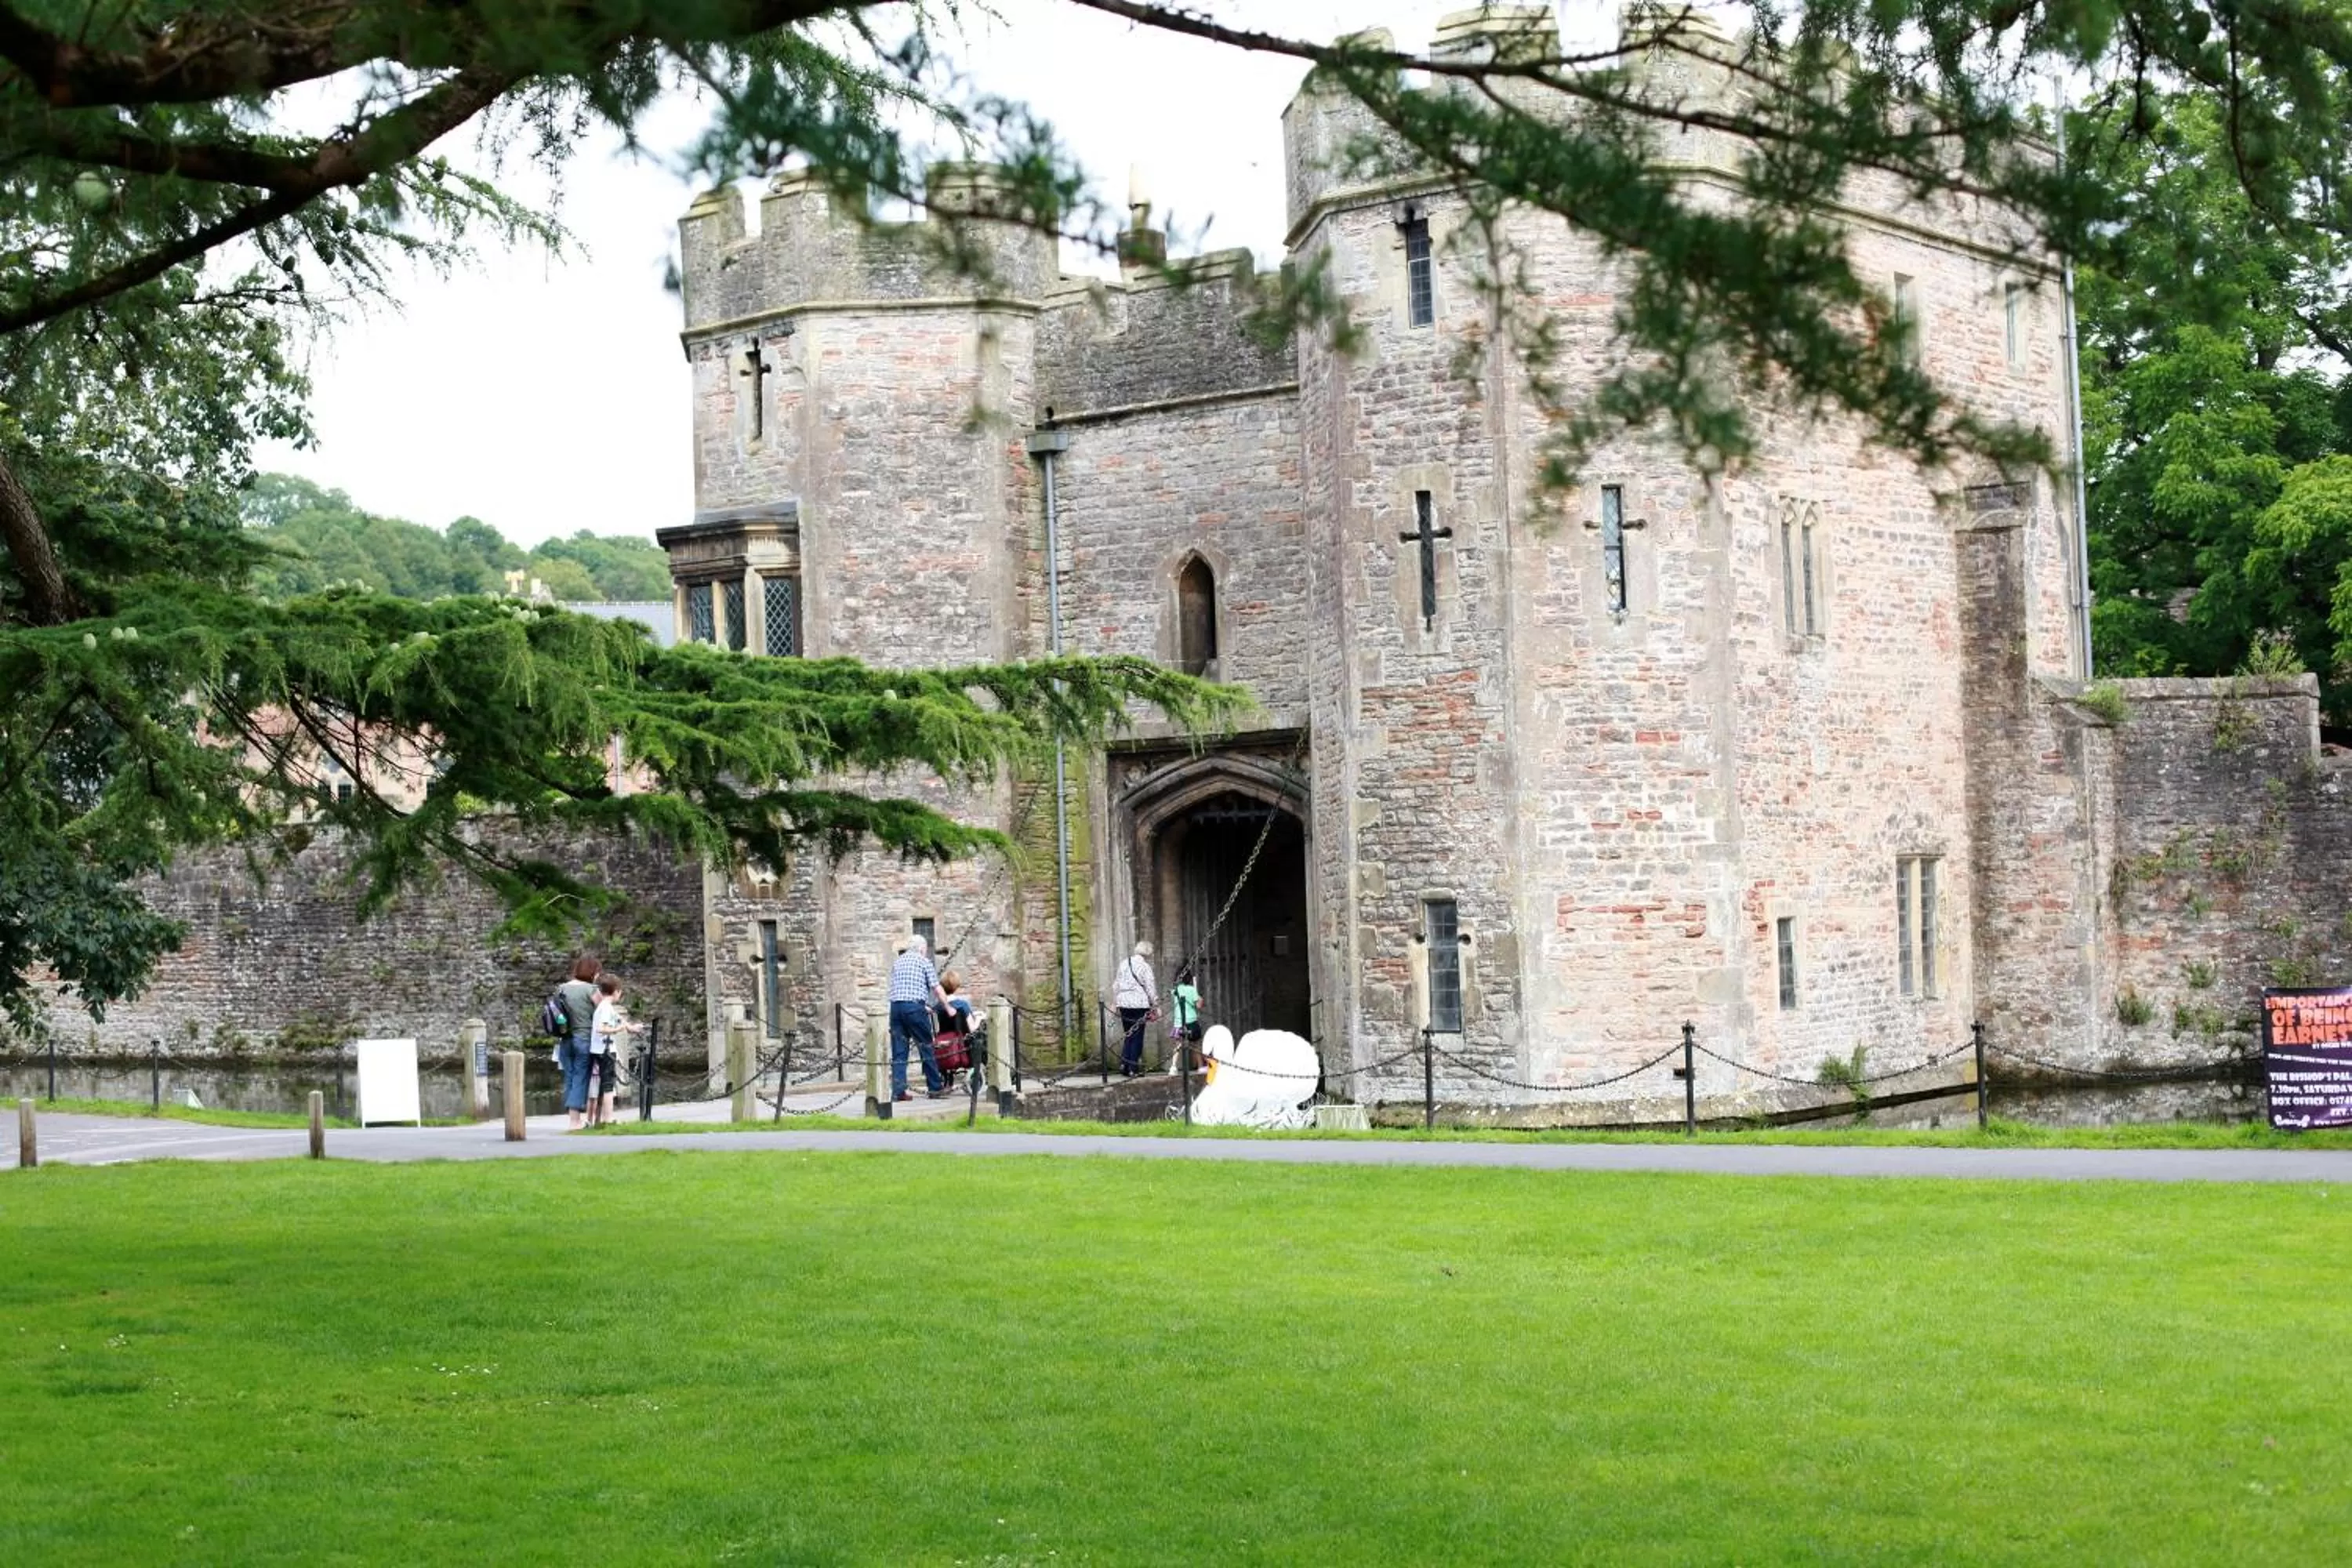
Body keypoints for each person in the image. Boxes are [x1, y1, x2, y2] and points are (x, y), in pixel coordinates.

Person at [887, 935, 950, 1102]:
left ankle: (898, 1091)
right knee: (926, 1047)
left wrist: (922, 1006)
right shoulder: (924, 962)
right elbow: (937, 988)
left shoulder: (898, 962)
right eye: (926, 949)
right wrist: (948, 1007)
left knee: (899, 1052)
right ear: (922, 949)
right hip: (914, 1009)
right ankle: (935, 1088)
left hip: (896, 1009)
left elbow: (898, 990)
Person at [586, 971, 640, 1127]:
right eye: (620, 991)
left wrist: (631, 1027)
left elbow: (618, 1018)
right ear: (616, 991)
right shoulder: (605, 1008)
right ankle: (608, 1118)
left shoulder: (607, 1007)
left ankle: (601, 1118)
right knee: (608, 1085)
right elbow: (601, 1028)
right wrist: (618, 1029)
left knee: (605, 1084)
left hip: (602, 1049)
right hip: (605, 1050)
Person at [555, 955, 601, 1131]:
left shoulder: (561, 989)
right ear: (593, 972)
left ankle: (572, 1118)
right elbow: (603, 1009)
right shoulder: (591, 990)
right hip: (584, 1038)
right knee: (581, 1077)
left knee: (570, 1077)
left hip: (565, 1039)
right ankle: (575, 1122)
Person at [1110, 939, 1157, 1076]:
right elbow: (1150, 987)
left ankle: (1125, 1064)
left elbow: (1116, 984)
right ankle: (1133, 1068)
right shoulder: (1145, 967)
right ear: (1148, 953)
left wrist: (1115, 1002)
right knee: (1137, 1036)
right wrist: (1155, 1004)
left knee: (1129, 1034)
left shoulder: (1124, 963)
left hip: (1124, 1003)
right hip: (1139, 1003)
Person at [1166, 964, 1203, 1076]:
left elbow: (1172, 993)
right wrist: (1200, 998)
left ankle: (1173, 1067)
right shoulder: (1192, 990)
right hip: (1192, 1022)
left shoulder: (1176, 990)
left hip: (1179, 1023)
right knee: (1196, 1045)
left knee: (1178, 1045)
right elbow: (1199, 1005)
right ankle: (1201, 1067)